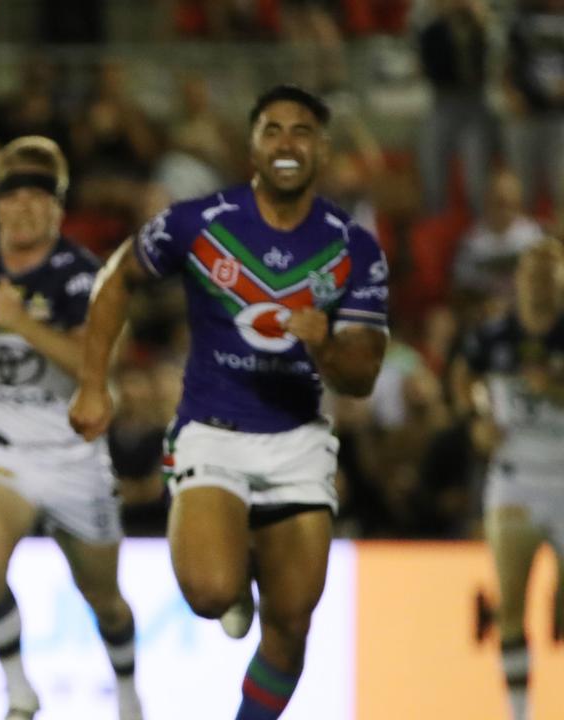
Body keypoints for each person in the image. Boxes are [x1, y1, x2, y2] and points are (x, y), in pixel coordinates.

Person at [69, 85, 389, 720]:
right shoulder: (199, 221)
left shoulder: (354, 248)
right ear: (252, 145)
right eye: (273, 130)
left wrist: (325, 344)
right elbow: (117, 278)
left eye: (302, 131)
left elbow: (361, 376)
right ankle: (234, 573)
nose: (287, 143)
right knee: (210, 594)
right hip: (212, 430)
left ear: (321, 149)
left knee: (293, 623)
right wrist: (91, 382)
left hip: (298, 438)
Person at [0, 136, 143, 720]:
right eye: (12, 198)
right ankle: (19, 690)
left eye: (36, 199)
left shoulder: (82, 277)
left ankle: (127, 693)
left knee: (105, 599)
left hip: (75, 454)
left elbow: (96, 368)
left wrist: (20, 322)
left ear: (57, 209)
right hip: (1, 451)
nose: (23, 210)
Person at [454, 239, 564, 720]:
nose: (539, 282)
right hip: (516, 480)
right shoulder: (493, 336)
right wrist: (474, 416)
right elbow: (463, 376)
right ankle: (519, 712)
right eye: (531, 272)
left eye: (549, 272)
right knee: (511, 603)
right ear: (518, 280)